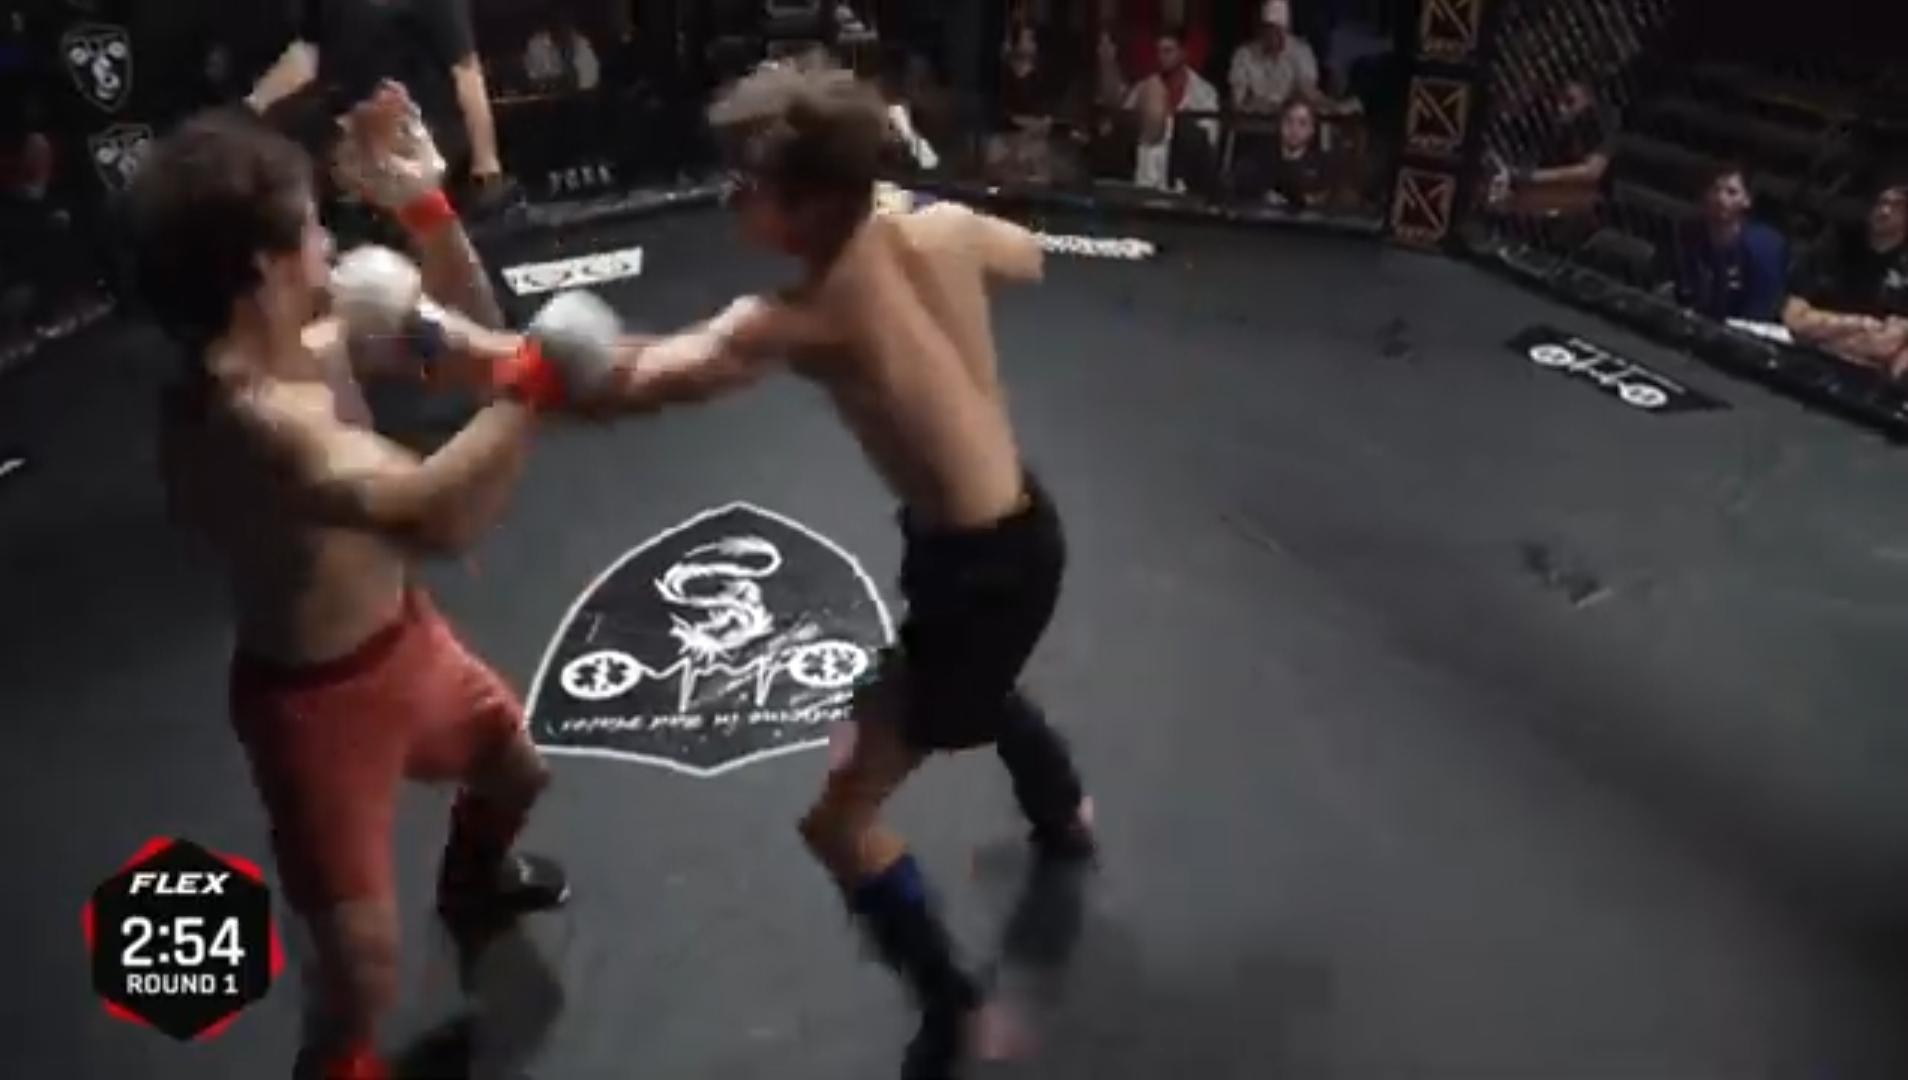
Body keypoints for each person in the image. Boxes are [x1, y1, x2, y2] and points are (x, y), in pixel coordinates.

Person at [590, 58, 1097, 1077]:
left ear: (816, 202)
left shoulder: (807, 317)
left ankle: (958, 1011)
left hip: (977, 579)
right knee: (972, 683)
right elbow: (1028, 255)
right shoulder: (930, 226)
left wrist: (479, 355)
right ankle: (1064, 813)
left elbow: (636, 381)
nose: (730, 197)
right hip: (1022, 531)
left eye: (749, 183)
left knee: (838, 821)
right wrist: (926, 215)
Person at [129, 87, 619, 1079]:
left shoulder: (323, 331)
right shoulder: (251, 428)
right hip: (315, 713)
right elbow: (437, 514)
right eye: (311, 226)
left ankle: (470, 886)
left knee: (516, 774)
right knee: (359, 978)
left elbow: (485, 346)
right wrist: (537, 385)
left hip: (409, 642)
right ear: (263, 268)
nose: (328, 240)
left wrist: (430, 212)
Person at [245, 0, 510, 204]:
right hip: (351, 121)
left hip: (419, 129)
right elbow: (309, 55)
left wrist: (486, 160)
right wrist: (257, 107)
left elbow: (466, 69)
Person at [1783, 182, 1908, 374]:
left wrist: (1825, 332)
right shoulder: (1834, 245)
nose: (1884, 211)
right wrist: (1860, 324)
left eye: (1897, 206)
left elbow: (1888, 345)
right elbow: (1795, 319)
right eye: (1881, 202)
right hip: (1804, 360)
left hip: (1867, 375)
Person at [1664, 164, 1787, 323]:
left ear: (1747, 200)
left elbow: (1761, 312)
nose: (1721, 199)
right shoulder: (1688, 232)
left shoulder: (1763, 247)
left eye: (1732, 192)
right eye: (1715, 190)